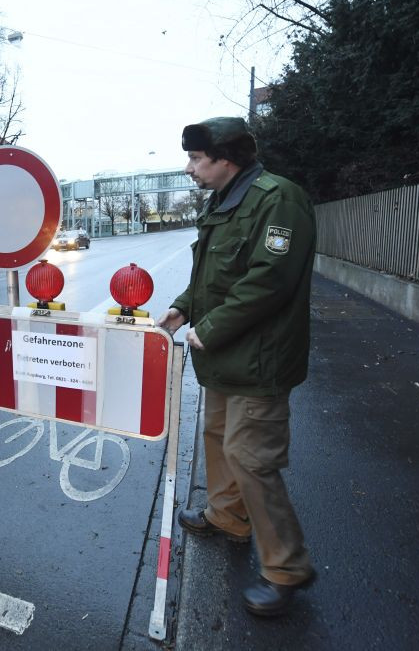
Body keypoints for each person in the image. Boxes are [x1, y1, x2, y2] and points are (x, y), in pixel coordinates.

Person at [157, 117, 316, 617]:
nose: (190, 169)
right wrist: (184, 306)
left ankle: (286, 568)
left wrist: (214, 326)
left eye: (197, 160)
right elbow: (210, 274)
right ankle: (227, 517)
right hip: (224, 359)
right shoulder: (222, 201)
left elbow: (270, 280)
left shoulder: (277, 199)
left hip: (259, 359)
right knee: (218, 438)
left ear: (227, 159)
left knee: (252, 459)